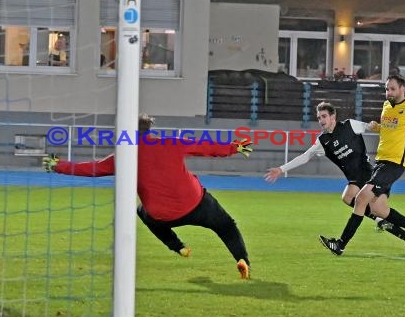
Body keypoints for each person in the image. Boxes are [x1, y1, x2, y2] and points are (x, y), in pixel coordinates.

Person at [43, 114, 254, 279]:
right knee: (226, 226)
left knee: (143, 212)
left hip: (161, 214)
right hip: (197, 203)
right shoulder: (172, 142)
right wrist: (235, 147)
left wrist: (58, 165)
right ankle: (242, 260)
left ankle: (178, 247)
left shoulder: (124, 156)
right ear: (149, 129)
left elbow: (92, 169)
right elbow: (207, 147)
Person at [319, 75, 405, 255]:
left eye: (392, 89)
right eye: (386, 89)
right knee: (378, 209)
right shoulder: (386, 106)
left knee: (361, 198)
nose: (389, 92)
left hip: (394, 164)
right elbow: (389, 129)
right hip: (380, 162)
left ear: (403, 89)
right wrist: (377, 127)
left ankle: (340, 245)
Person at [264, 102, 405, 248]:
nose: (321, 120)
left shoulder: (350, 125)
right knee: (352, 199)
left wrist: (373, 125)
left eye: (324, 116)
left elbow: (369, 126)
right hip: (354, 179)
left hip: (368, 175)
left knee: (362, 203)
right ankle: (404, 232)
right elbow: (305, 156)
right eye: (319, 118)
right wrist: (281, 169)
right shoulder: (323, 141)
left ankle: (346, 242)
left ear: (333, 116)